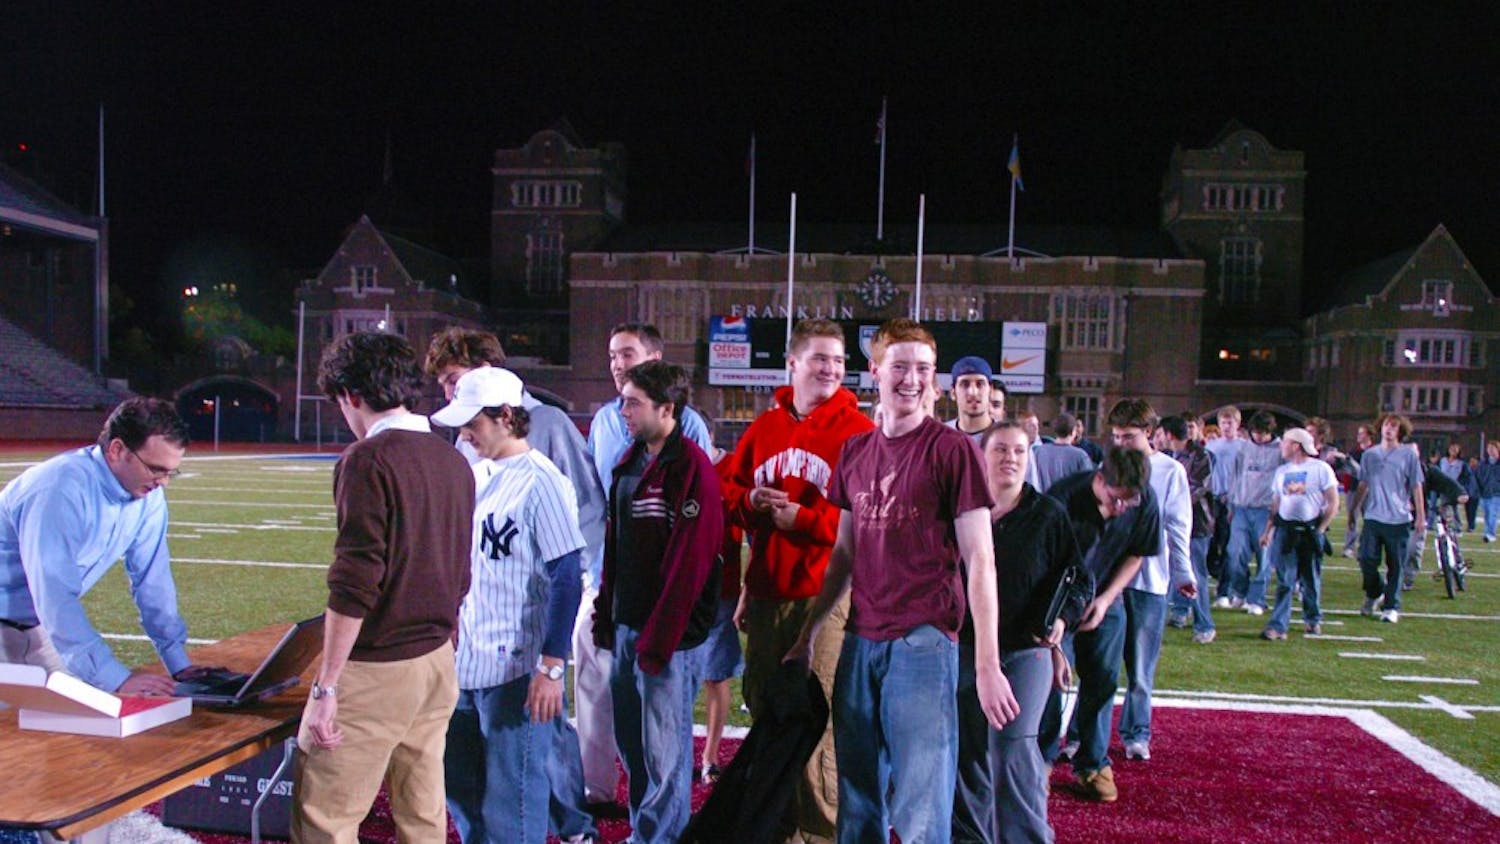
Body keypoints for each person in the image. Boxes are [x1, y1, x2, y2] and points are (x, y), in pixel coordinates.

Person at [784, 318, 1018, 843]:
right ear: (874, 371)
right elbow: (845, 551)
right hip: (861, 640)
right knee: (858, 800)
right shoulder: (856, 452)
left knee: (920, 806)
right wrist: (810, 632)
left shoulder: (952, 450)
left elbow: (980, 559)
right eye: (900, 367)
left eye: (923, 370)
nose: (911, 379)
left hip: (924, 640)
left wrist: (986, 664)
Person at [293, 332, 475, 844]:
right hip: (437, 659)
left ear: (350, 394)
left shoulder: (368, 459)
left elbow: (356, 581)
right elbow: (459, 571)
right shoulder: (452, 459)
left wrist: (327, 686)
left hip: (378, 668)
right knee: (422, 816)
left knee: (325, 819)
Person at [424, 327, 604, 831]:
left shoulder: (542, 479)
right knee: (465, 796)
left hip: (515, 670)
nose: (464, 434)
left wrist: (550, 669)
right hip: (467, 662)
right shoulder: (477, 474)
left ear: (506, 417)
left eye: (472, 424)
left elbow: (567, 574)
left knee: (514, 807)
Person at [723, 318, 873, 844]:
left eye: (838, 359)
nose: (831, 367)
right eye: (819, 357)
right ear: (792, 363)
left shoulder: (858, 433)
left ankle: (822, 833)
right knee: (767, 708)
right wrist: (751, 504)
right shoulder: (765, 428)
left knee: (816, 716)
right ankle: (778, 829)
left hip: (825, 594)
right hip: (767, 591)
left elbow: (870, 524)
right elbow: (730, 493)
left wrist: (802, 521)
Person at [1, 398, 217, 695]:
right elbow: (55, 595)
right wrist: (116, 678)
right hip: (28, 621)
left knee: (73, 729)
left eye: (170, 472)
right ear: (117, 450)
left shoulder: (148, 496)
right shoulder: (59, 489)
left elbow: (152, 581)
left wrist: (178, 663)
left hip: (38, 630)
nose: (164, 482)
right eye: (156, 469)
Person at [593, 360, 724, 844]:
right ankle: (645, 832)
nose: (622, 410)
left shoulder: (691, 467)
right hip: (627, 626)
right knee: (634, 746)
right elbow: (615, 547)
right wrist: (607, 614)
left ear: (667, 409)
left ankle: (662, 838)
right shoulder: (629, 462)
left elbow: (690, 563)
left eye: (633, 402)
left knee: (664, 752)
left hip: (663, 637)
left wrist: (662, 638)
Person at [953, 422, 1086, 844]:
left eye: (1019, 451)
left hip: (1025, 652)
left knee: (1012, 750)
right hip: (964, 648)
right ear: (982, 456)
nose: (1010, 458)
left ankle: (1027, 838)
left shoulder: (1048, 514)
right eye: (1001, 450)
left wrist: (1062, 622)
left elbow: (1079, 578)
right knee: (965, 754)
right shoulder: (959, 511)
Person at [1039, 446, 1159, 803]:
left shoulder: (1144, 499)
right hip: (1055, 597)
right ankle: (1040, 761)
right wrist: (1057, 626)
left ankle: (1092, 762)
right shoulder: (1060, 500)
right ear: (1099, 479)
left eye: (1129, 501)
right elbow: (1041, 566)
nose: (1120, 508)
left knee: (1104, 679)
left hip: (1106, 597)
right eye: (1114, 498)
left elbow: (1137, 553)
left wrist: (1106, 600)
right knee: (1050, 684)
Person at [1108, 399, 1195, 764]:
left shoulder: (1169, 471)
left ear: (1148, 433)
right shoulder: (1108, 466)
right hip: (1109, 581)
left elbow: (1179, 525)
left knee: (1140, 668)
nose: (1121, 443)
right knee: (1101, 666)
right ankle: (1082, 736)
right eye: (1115, 436)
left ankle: (1136, 733)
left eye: (1128, 436)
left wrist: (1183, 572)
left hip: (1150, 581)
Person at [1258, 427, 1339, 639]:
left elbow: (1333, 501)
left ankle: (1312, 618)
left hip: (1309, 530)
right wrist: (1268, 531)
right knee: (1285, 579)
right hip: (1286, 530)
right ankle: (1278, 625)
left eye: (1285, 442)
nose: (1281, 446)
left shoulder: (1321, 468)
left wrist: (1320, 529)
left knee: (1310, 578)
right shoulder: (1281, 472)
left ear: (1296, 446)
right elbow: (1275, 505)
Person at [1348, 414, 1425, 623]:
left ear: (1400, 431)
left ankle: (1391, 606)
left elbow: (1416, 485)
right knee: (1366, 559)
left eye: (1394, 426)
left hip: (1399, 518)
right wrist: (1353, 509)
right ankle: (1374, 592)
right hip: (1373, 516)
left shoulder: (1408, 456)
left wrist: (1421, 516)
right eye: (1386, 425)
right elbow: (1363, 484)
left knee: (1396, 565)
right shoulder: (1369, 455)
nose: (1389, 429)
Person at [699, 439, 745, 786]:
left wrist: (749, 588)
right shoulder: (672, 466)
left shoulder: (732, 468)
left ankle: (710, 755)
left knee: (716, 674)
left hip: (721, 587)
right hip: (677, 590)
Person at [1217, 411, 1282, 614]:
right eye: (1255, 432)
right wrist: (1231, 505)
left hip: (1265, 510)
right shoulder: (1244, 448)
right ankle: (1240, 590)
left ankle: (1257, 599)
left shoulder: (1280, 451)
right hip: (1241, 508)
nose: (1258, 437)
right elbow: (1236, 476)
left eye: (1262, 433)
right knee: (1235, 552)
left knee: (1264, 556)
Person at [1162, 415, 1217, 644]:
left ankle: (1205, 625)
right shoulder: (1168, 456)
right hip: (1174, 522)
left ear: (1169, 434)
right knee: (1171, 570)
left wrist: (1172, 504)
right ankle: (1179, 612)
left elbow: (1197, 488)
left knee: (1196, 574)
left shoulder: (1201, 455)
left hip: (1196, 524)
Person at [1203, 406, 1242, 592]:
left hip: (1232, 500)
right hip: (1212, 499)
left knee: (1228, 545)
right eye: (1224, 423)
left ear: (1238, 424)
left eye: (1230, 422)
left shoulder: (1243, 447)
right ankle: (1215, 571)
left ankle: (1224, 588)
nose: (1227, 426)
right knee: (1209, 542)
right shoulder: (1211, 446)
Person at [1031, 412, 1095, 493]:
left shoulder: (1038, 451)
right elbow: (1088, 485)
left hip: (1041, 502)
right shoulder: (1080, 456)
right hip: (1068, 504)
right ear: (1073, 432)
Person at [1342, 424, 1376, 557]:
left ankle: (1367, 547)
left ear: (1369, 435)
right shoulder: (1353, 452)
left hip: (1369, 489)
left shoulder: (1375, 452)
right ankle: (1349, 547)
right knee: (1352, 518)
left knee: (1369, 519)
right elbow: (1348, 472)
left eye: (1361, 433)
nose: (1358, 436)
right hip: (1353, 489)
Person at [947, 356, 997, 442]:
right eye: (965, 384)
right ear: (953, 392)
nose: (973, 392)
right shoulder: (941, 437)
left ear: (991, 391)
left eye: (980, 384)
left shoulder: (1007, 436)